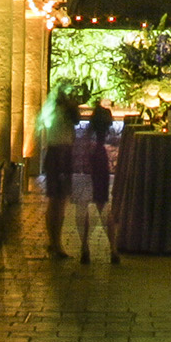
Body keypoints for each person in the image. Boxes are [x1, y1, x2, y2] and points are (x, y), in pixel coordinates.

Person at [39, 97, 78, 257]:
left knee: (55, 201)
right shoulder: (65, 114)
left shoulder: (55, 112)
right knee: (58, 201)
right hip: (60, 155)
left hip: (57, 154)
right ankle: (56, 243)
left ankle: (53, 241)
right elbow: (75, 120)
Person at [79, 102, 117, 261]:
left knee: (83, 208)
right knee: (104, 206)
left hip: (87, 168)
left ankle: (84, 247)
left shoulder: (86, 136)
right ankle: (113, 249)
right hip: (100, 166)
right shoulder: (107, 137)